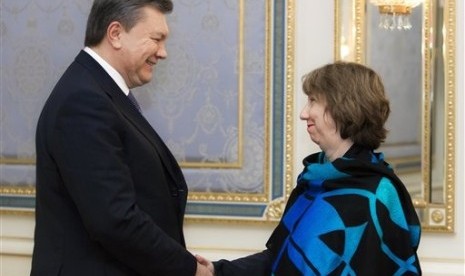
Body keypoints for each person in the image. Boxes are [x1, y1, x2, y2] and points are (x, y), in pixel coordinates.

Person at [31, 0, 212, 275]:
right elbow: (114, 220)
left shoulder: (99, 92)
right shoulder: (84, 101)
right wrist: (188, 269)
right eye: (156, 39)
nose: (163, 53)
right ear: (115, 34)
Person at [198, 61, 422, 275]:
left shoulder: (377, 195)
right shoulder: (314, 181)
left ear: (342, 107)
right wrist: (217, 271)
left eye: (313, 101)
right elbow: (281, 259)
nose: (304, 113)